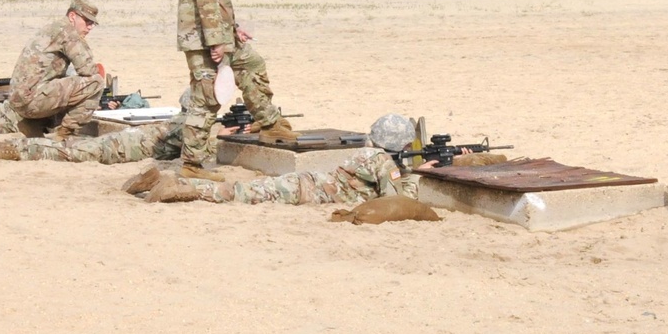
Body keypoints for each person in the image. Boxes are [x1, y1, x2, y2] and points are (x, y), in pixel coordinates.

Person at [122, 114, 507, 205]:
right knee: (237, 194)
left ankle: (169, 183)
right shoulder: (381, 162)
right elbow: (399, 197)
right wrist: (427, 172)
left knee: (241, 188)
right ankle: (177, 188)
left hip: (306, 183)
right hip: (307, 193)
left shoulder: (370, 153)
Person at [176, 0, 296, 182]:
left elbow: (216, 5)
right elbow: (205, 3)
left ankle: (269, 122)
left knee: (252, 63)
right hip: (204, 42)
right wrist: (217, 42)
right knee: (207, 100)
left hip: (218, 36)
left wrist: (233, 29)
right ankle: (191, 164)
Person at [0, 90, 248, 164]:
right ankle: (16, 149)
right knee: (70, 153)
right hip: (121, 149)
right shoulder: (187, 126)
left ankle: (20, 147)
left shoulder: (183, 120)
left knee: (73, 148)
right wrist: (219, 136)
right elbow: (196, 150)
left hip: (124, 142)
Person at [6, 0, 106, 138]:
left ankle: (44, 126)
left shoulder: (54, 28)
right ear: (72, 16)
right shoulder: (67, 32)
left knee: (71, 83)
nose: (90, 27)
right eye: (87, 21)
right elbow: (87, 69)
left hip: (18, 100)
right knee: (96, 82)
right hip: (32, 101)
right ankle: (65, 134)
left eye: (92, 23)